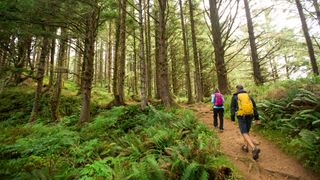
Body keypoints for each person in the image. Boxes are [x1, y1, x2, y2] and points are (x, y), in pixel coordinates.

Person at [230, 84, 261, 160]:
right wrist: (257, 118)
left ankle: (254, 148)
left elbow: (232, 108)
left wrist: (232, 118)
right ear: (243, 89)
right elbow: (254, 108)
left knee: (244, 132)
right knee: (246, 131)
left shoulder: (235, 97)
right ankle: (245, 147)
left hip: (241, 116)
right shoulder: (249, 96)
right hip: (250, 115)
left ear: (237, 89)